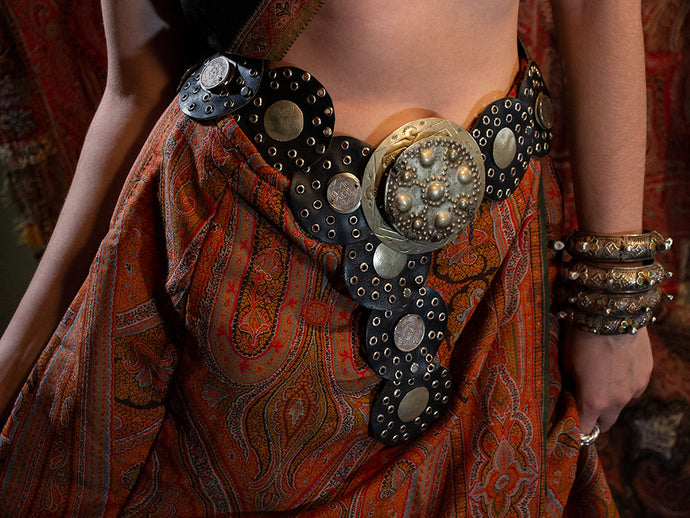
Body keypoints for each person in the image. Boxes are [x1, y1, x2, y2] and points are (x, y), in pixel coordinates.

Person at [0, 0, 656, 515]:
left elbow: (598, 6)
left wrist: (615, 304)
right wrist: (25, 352)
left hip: (494, 282)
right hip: (244, 295)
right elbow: (135, 88)